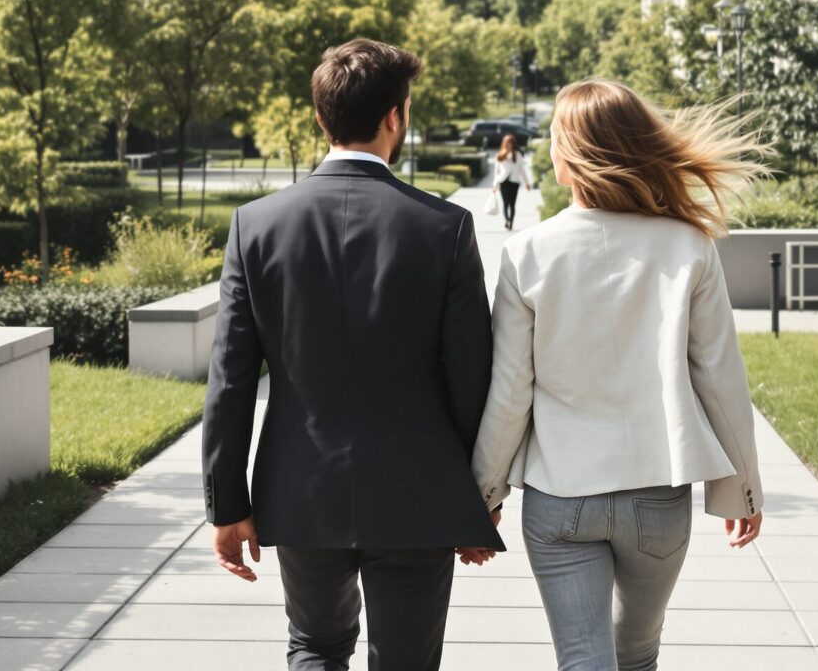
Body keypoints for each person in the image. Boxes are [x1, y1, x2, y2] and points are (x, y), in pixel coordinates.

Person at [202, 38, 503, 671]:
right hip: (417, 492)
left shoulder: (255, 226)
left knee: (315, 647)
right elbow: (471, 376)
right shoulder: (445, 227)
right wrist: (477, 500)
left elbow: (230, 380)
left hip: (301, 487)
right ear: (397, 115)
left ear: (321, 118)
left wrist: (227, 505)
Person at [469, 78, 769, 671]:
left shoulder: (527, 253)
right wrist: (742, 489)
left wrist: (483, 497)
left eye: (556, 137)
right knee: (637, 657)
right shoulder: (690, 246)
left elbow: (509, 396)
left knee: (585, 660)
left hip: (560, 498)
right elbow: (720, 380)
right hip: (657, 496)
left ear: (574, 153)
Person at [491, 132, 534, 231]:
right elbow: (496, 172)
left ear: (513, 144)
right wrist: (494, 185)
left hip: (514, 182)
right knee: (505, 203)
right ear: (504, 143)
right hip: (503, 182)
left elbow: (522, 170)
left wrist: (527, 183)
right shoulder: (500, 155)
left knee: (512, 204)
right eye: (507, 143)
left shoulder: (518, 155)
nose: (508, 145)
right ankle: (507, 220)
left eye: (510, 143)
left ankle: (511, 222)